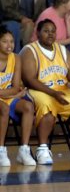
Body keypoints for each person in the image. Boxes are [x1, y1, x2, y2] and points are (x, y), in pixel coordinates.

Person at [21, 18, 70, 164]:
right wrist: (53, 93)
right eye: (46, 31)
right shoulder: (29, 50)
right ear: (38, 33)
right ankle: (42, 149)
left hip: (62, 90)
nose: (50, 34)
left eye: (53, 31)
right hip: (38, 90)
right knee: (47, 105)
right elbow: (29, 79)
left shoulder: (62, 50)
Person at [0, 25, 36, 167]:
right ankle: (1, 150)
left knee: (28, 106)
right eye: (4, 41)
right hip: (6, 98)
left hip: (8, 96)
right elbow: (14, 91)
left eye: (11, 41)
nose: (9, 45)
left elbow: (15, 87)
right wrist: (13, 94)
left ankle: (24, 150)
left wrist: (14, 94)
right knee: (4, 109)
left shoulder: (16, 58)